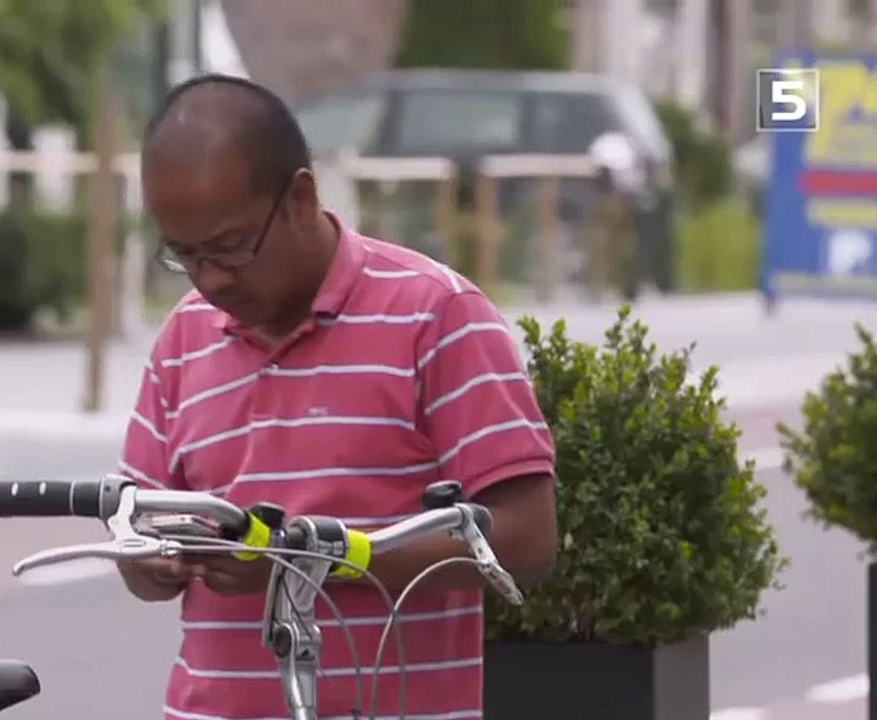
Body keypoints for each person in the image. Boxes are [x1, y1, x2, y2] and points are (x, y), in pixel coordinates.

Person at [116, 73, 558, 720]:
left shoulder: (436, 317)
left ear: (300, 196)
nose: (209, 278)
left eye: (231, 247)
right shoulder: (183, 340)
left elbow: (525, 542)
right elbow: (136, 537)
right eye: (183, 254)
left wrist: (313, 561)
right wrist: (154, 557)